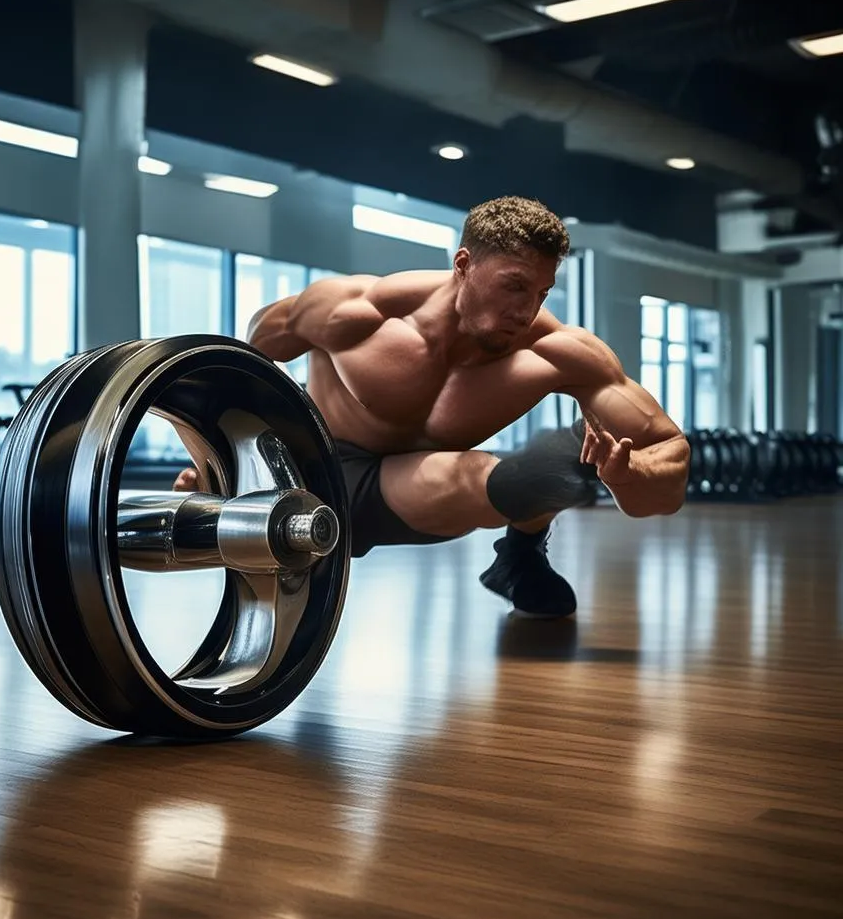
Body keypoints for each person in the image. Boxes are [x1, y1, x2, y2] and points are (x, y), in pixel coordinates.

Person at [176, 196, 690, 617]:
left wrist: (628, 474)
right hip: (311, 471)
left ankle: (519, 557)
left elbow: (669, 458)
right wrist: (217, 465)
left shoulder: (554, 351)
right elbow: (225, 369)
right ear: (463, 264)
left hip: (406, 486)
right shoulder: (352, 312)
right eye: (514, 285)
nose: (527, 310)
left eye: (541, 292)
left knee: (546, 464)